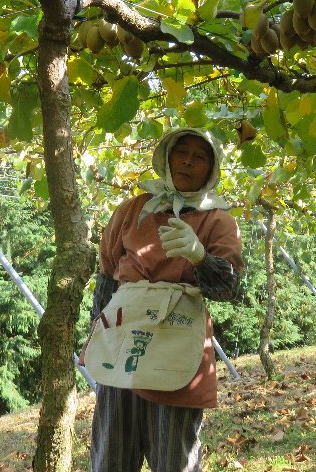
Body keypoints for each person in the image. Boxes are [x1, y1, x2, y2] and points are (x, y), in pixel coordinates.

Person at [86, 127, 244, 472]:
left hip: (177, 343)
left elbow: (229, 290)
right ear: (166, 158)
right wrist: (97, 337)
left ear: (212, 168)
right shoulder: (132, 210)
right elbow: (107, 278)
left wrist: (200, 257)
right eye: (181, 152)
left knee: (174, 457)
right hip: (123, 343)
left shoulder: (218, 221)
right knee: (111, 456)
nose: (188, 161)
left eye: (199, 156)